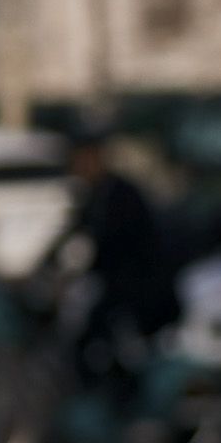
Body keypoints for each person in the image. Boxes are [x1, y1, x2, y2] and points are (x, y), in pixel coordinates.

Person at [60, 124, 181, 390]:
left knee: (111, 345)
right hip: (119, 288)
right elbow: (73, 237)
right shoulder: (93, 196)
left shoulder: (121, 195)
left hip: (140, 293)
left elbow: (110, 246)